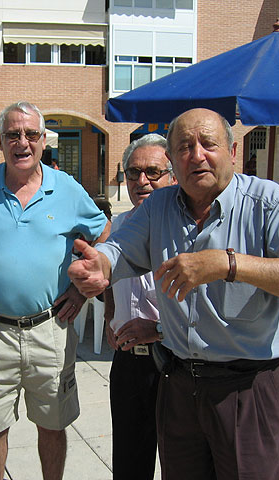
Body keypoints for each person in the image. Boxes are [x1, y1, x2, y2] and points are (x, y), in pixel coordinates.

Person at [68, 108, 279, 480]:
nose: (197, 155)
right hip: (179, 385)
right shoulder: (159, 205)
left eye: (208, 144)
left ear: (233, 150)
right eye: (184, 147)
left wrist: (228, 264)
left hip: (249, 387)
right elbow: (122, 249)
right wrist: (102, 265)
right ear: (173, 160)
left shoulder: (267, 201)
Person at [0, 101, 110, 480]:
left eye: (31, 134)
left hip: (50, 330)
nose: (23, 142)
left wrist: (81, 290)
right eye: (13, 134)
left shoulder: (66, 188)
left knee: (53, 424)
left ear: (43, 140)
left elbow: (104, 236)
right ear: (0, 142)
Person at [105, 134, 176, 480]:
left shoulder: (187, 233)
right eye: (132, 173)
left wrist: (159, 329)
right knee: (130, 464)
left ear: (173, 176)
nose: (141, 181)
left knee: (180, 462)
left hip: (173, 362)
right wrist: (108, 315)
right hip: (127, 365)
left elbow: (207, 310)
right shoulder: (118, 227)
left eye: (153, 171)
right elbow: (108, 278)